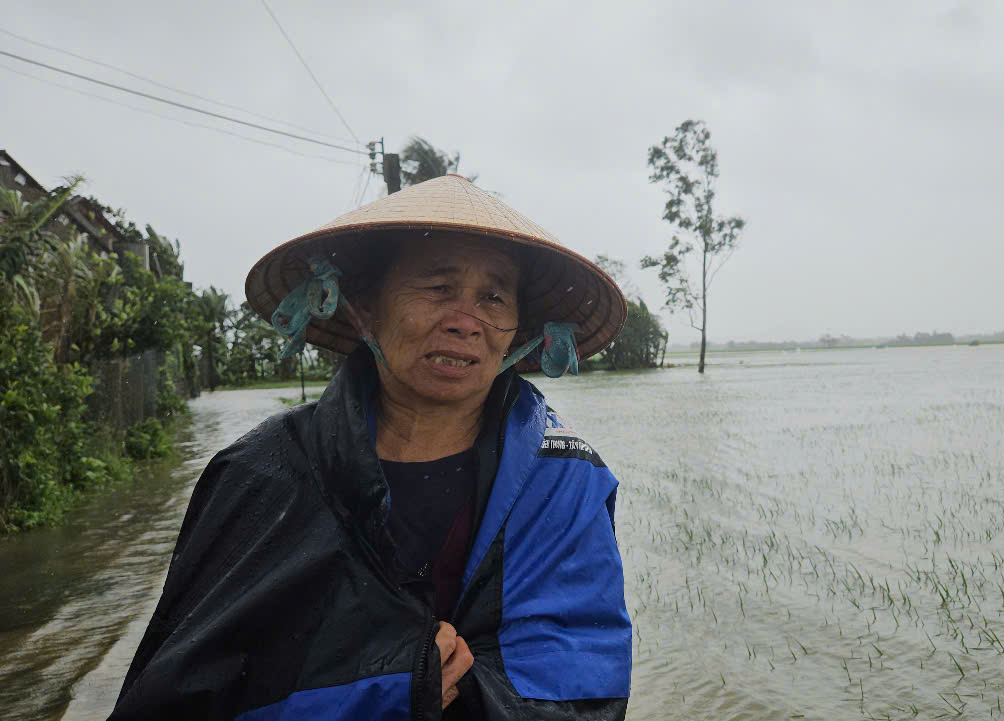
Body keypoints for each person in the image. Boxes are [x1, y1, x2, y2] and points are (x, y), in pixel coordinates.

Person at [108, 175, 632, 720]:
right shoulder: (259, 472)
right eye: (437, 288)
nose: (464, 323)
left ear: (518, 330)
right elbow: (178, 693)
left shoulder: (564, 477)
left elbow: (580, 687)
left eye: (493, 298)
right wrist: (397, 683)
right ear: (364, 309)